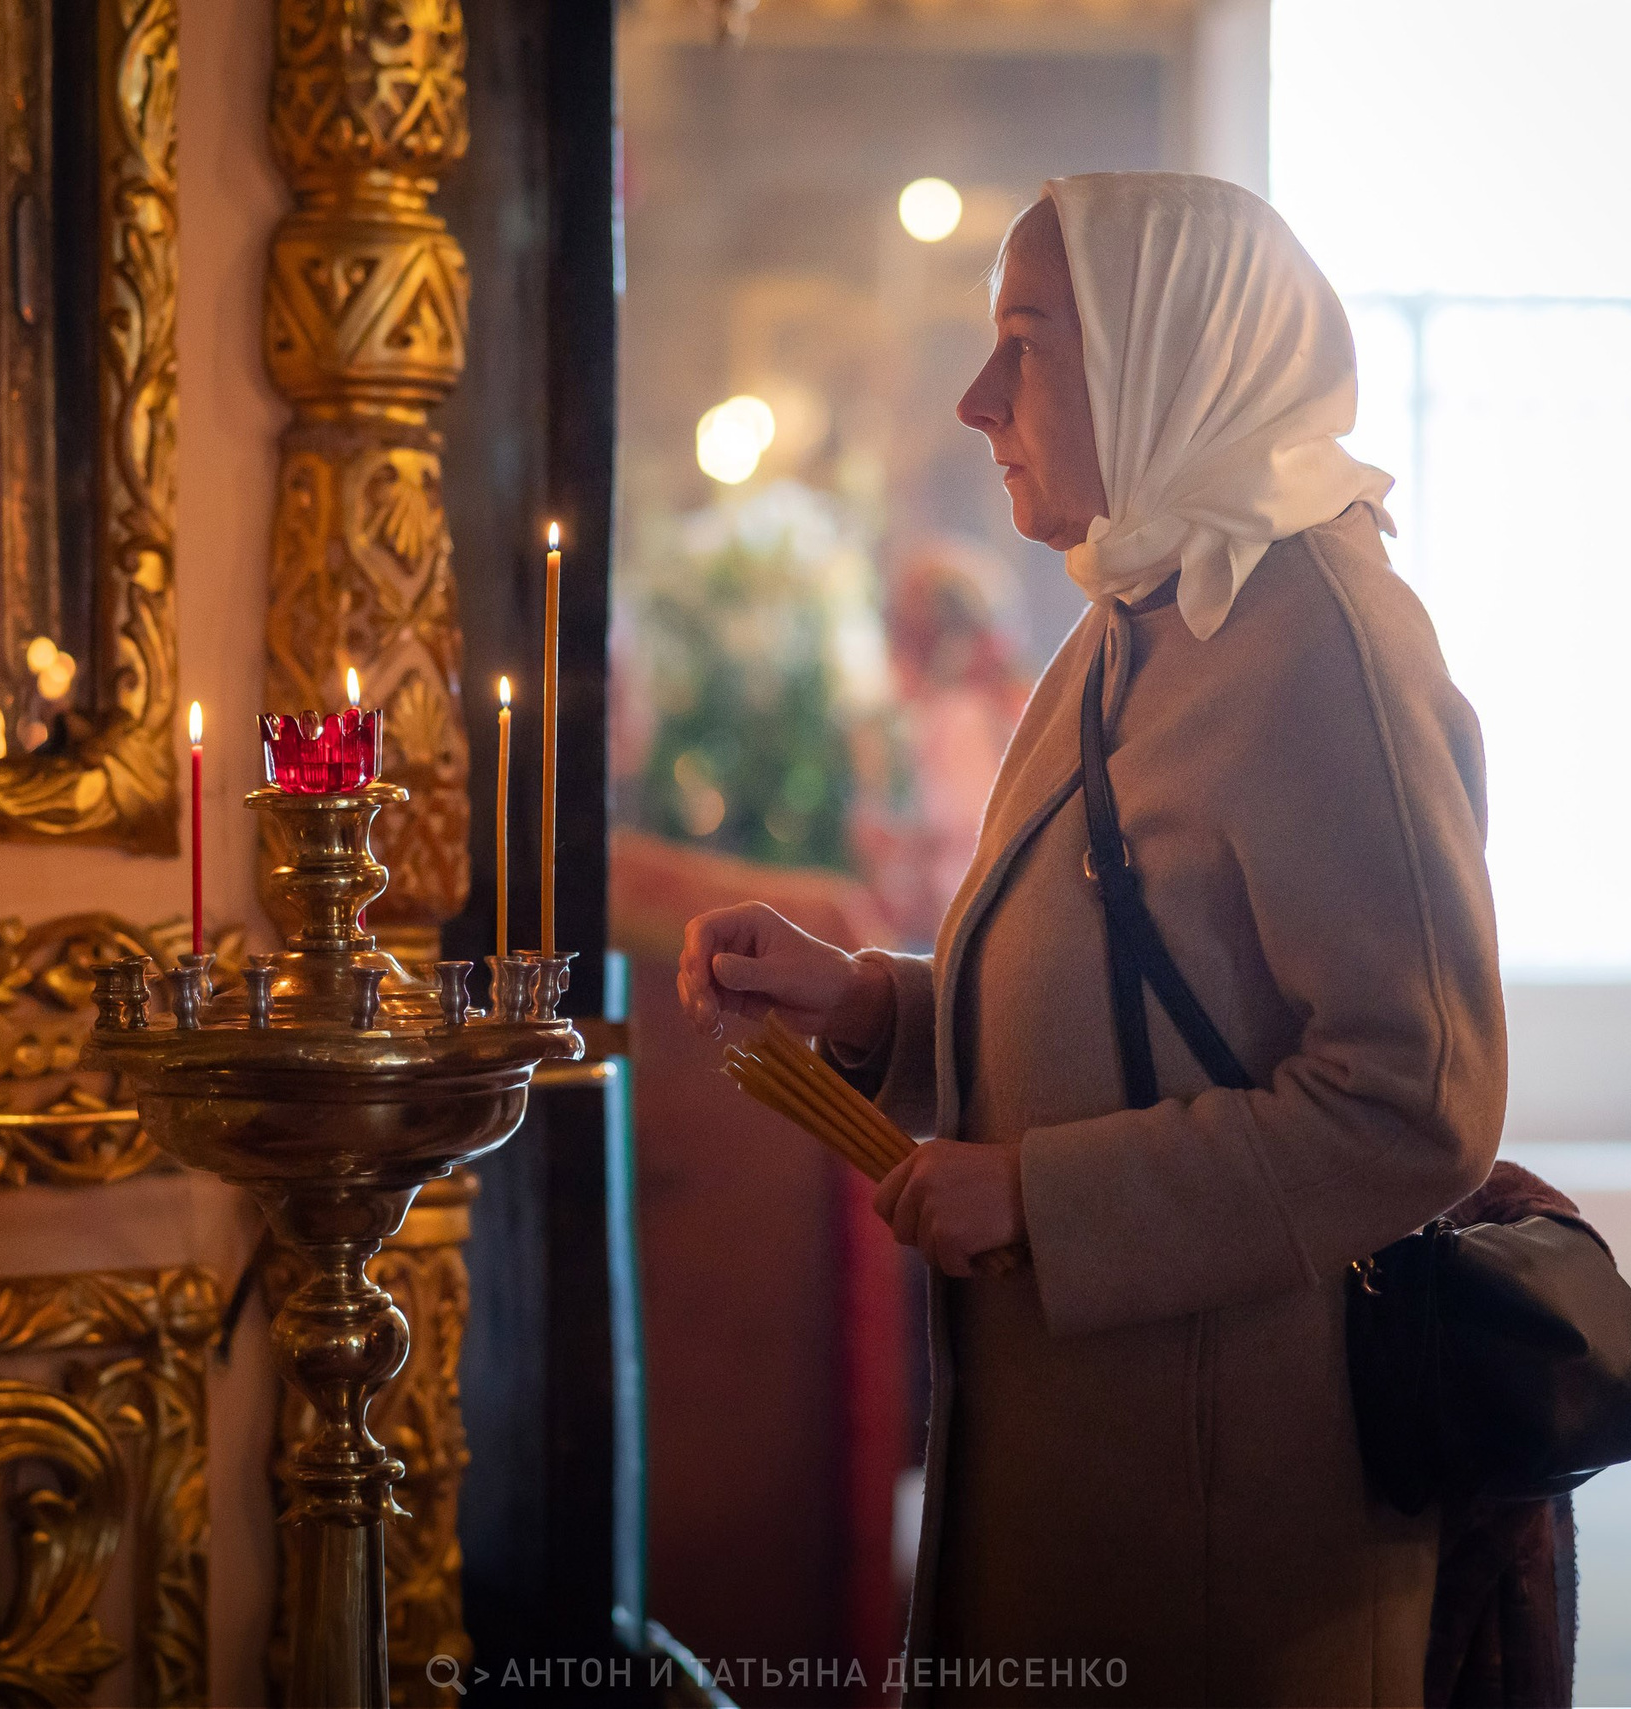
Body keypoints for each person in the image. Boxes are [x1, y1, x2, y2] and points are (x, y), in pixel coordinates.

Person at [677, 173, 1507, 1706]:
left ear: (1167, 350)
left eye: (1028, 344)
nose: (977, 398)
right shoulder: (1139, 609)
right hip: (1092, 1461)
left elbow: (1418, 1100)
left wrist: (1047, 1203)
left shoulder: (1322, 637)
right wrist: (862, 1002)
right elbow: (1131, 1000)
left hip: (1231, 1532)